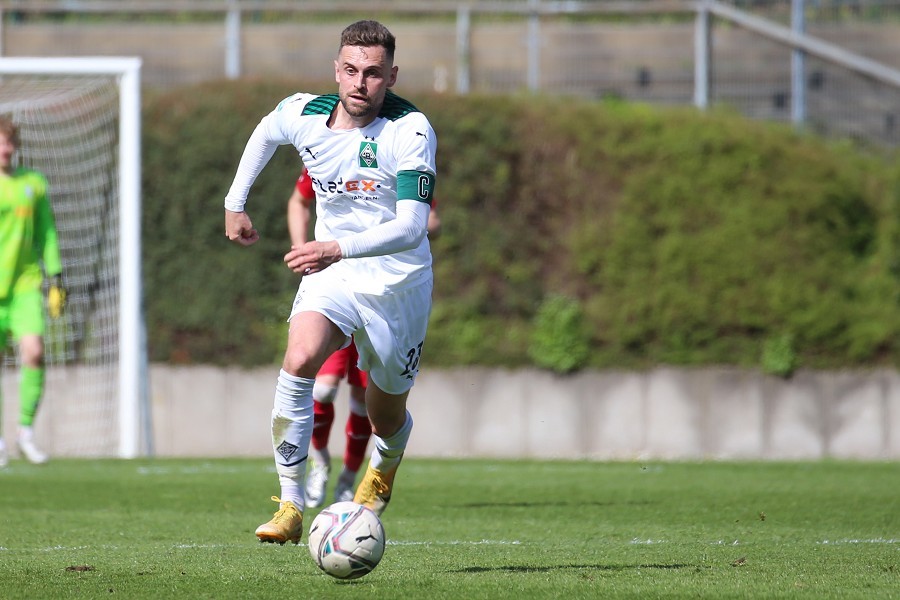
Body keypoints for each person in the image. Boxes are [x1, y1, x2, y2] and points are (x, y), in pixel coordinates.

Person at [224, 20, 437, 545]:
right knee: (299, 359)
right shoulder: (304, 113)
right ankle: (291, 505)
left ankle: (385, 462)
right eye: (350, 70)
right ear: (335, 71)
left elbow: (411, 226)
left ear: (391, 75)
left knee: (387, 414)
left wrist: (332, 246)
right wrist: (235, 203)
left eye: (372, 73)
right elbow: (265, 131)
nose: (359, 83)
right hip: (336, 276)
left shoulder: (410, 131)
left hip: (397, 285)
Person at [286, 168, 442, 508]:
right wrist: (303, 250)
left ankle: (349, 478)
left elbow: (429, 220)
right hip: (339, 285)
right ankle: (319, 467)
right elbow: (299, 199)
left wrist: (414, 224)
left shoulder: (401, 159)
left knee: (369, 405)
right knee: (321, 386)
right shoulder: (326, 151)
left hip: (386, 293)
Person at [0, 115, 66, 467]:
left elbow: (47, 231)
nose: (4, 149)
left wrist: (55, 274)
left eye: (8, 141)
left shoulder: (33, 183)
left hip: (24, 284)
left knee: (34, 352)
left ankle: (25, 432)